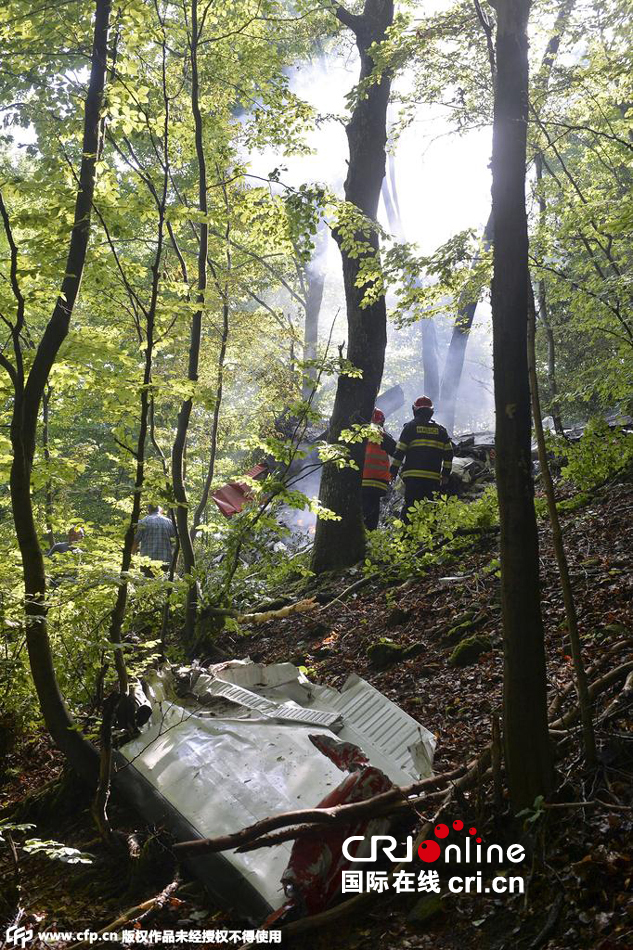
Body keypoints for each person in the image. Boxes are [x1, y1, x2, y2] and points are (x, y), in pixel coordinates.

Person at [390, 396, 453, 524]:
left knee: (411, 507)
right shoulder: (441, 431)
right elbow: (449, 454)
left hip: (413, 478)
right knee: (430, 508)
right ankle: (430, 539)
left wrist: (393, 471)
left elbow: (399, 452)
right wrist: (445, 474)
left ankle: (407, 538)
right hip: (433, 479)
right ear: (431, 411)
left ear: (415, 410)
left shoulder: (410, 427)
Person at [361, 408, 396, 531]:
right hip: (379, 482)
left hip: (362, 481)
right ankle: (370, 536)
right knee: (373, 511)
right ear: (382, 422)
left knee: (361, 511)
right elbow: (397, 452)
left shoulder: (359, 435)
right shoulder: (384, 437)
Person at [132, 504, 175, 574]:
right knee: (164, 584)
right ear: (160, 510)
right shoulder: (169, 523)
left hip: (147, 563)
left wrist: (131, 561)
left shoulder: (143, 522)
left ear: (148, 510)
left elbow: (135, 542)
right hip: (165, 563)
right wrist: (174, 563)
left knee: (147, 584)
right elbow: (175, 544)